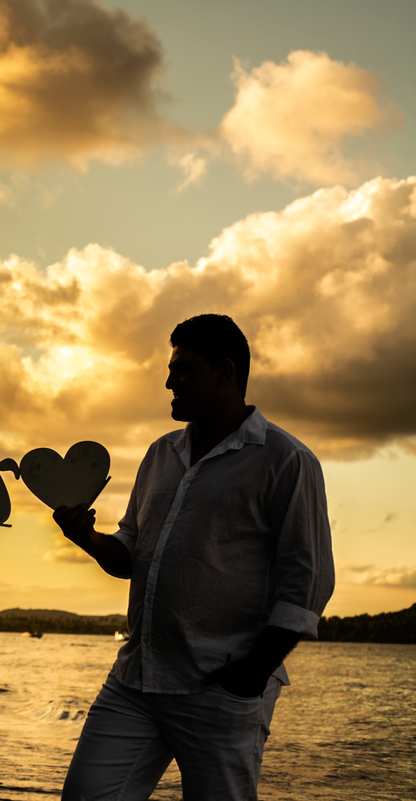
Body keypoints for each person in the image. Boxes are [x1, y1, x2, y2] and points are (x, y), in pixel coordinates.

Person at [53, 314, 335, 801]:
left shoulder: (286, 460)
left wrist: (251, 675)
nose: (169, 383)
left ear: (224, 372)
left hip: (218, 690)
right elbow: (130, 552)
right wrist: (88, 539)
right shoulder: (160, 454)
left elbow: (308, 584)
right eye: (170, 370)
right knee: (85, 794)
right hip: (135, 679)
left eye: (182, 370)